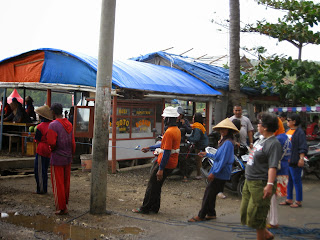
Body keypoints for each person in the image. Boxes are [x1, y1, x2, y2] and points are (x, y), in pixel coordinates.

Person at [240, 112, 282, 240]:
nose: (257, 125)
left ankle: (262, 237)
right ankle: (267, 235)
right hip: (249, 180)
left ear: (266, 127)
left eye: (260, 123)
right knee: (245, 212)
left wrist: (269, 185)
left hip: (261, 182)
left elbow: (272, 166)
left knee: (257, 215)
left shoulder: (273, 144)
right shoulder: (261, 140)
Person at [187, 118, 239, 222]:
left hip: (221, 172)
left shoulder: (228, 143)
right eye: (221, 129)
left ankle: (201, 215)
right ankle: (211, 213)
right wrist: (207, 154)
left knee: (209, 193)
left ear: (229, 130)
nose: (222, 131)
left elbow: (223, 160)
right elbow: (218, 156)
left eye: (224, 129)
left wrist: (214, 173)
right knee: (211, 192)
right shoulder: (225, 141)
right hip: (220, 171)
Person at [132, 106, 181, 214]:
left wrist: (161, 169)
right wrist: (150, 148)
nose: (164, 120)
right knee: (157, 186)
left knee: (152, 186)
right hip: (171, 162)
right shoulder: (176, 130)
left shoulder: (169, 132)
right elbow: (163, 145)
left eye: (165, 118)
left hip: (165, 163)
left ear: (168, 119)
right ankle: (154, 208)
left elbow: (167, 152)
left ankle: (145, 208)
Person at [47, 103, 76, 215]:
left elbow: (52, 143)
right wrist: (71, 154)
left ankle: (61, 207)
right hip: (68, 157)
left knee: (58, 183)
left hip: (57, 157)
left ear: (53, 112)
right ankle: (65, 205)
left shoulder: (53, 125)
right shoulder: (68, 123)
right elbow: (73, 143)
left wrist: (51, 149)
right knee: (65, 182)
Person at [280, 113, 308, 208]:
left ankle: (298, 200)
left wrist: (301, 158)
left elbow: (302, 146)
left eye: (288, 120)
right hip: (287, 160)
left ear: (294, 122)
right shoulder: (288, 131)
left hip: (295, 160)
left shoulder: (300, 132)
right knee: (289, 180)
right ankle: (289, 199)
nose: (287, 122)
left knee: (296, 180)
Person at [267, 122, 292, 229]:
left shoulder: (278, 139)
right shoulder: (285, 137)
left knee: (271, 198)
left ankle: (273, 221)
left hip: (277, 171)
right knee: (273, 198)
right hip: (284, 169)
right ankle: (272, 220)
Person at [34, 105, 54, 194]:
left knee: (39, 170)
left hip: (41, 149)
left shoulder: (40, 126)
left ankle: (41, 189)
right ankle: (44, 188)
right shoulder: (53, 125)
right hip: (50, 149)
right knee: (45, 169)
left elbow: (37, 139)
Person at [188, 112, 209, 180]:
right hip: (204, 144)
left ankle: (199, 174)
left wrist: (188, 138)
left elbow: (196, 138)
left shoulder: (197, 127)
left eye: (194, 117)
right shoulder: (200, 126)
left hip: (200, 146)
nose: (192, 118)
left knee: (198, 160)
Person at [176, 106, 192, 182]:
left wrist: (184, 125)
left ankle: (184, 175)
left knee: (183, 160)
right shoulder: (172, 120)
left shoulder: (185, 121)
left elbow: (189, 131)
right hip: (173, 142)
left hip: (182, 143)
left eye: (180, 114)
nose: (179, 116)